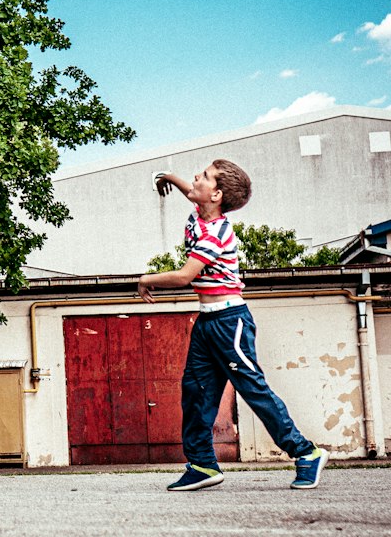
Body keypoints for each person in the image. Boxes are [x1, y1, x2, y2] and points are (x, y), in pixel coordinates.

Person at [138, 159, 329, 492]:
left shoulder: (216, 233)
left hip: (230, 322)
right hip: (207, 321)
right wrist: (166, 176)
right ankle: (202, 465)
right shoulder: (202, 209)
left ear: (217, 194)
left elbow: (185, 276)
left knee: (252, 389)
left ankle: (306, 453)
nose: (196, 177)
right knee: (195, 392)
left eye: (205, 176)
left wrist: (145, 279)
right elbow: (189, 191)